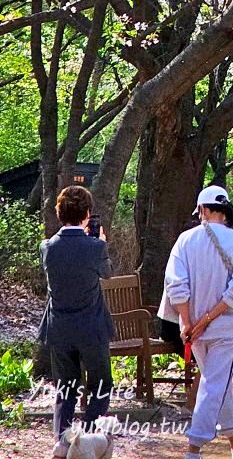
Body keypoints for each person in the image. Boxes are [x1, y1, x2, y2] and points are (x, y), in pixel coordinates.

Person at [161, 185, 233, 459]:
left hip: (194, 331)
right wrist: (205, 320)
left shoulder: (184, 241)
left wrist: (189, 323)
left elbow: (176, 285)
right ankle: (194, 449)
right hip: (227, 329)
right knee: (215, 385)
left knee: (216, 384)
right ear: (225, 210)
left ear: (202, 210)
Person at [40, 184, 114, 459]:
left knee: (65, 387)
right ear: (87, 214)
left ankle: (63, 440)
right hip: (91, 327)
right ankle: (89, 438)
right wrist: (100, 241)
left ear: (59, 213)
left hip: (58, 326)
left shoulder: (47, 247)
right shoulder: (95, 247)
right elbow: (107, 273)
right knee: (101, 383)